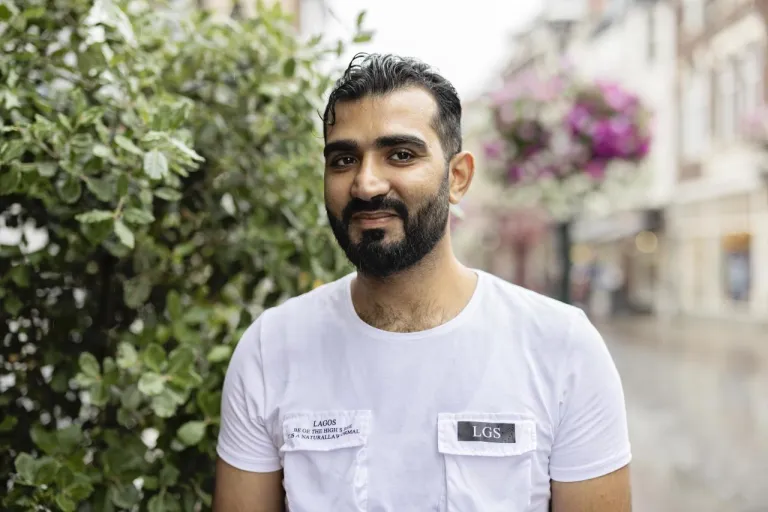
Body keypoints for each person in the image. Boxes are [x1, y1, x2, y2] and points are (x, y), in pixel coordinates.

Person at [213, 53, 632, 512]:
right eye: (344, 159)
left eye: (401, 154)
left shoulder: (562, 347)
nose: (366, 184)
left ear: (457, 177)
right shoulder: (270, 349)